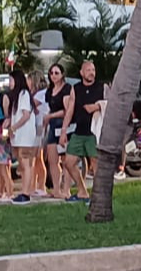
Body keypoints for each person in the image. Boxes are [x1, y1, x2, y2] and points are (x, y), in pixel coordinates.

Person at [61, 61, 104, 202]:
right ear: (81, 72)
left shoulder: (102, 87)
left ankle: (99, 196)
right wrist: (63, 130)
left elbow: (110, 104)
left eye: (93, 69)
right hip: (79, 131)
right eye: (88, 70)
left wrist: (97, 106)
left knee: (95, 163)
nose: (91, 72)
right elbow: (69, 111)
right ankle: (82, 191)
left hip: (94, 132)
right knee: (69, 161)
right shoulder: (76, 88)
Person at [8, 70, 40, 204]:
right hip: (19, 136)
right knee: (22, 163)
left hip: (25, 136)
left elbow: (26, 115)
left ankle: (26, 193)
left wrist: (14, 127)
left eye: (11, 80)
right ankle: (24, 191)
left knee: (26, 163)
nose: (9, 83)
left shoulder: (24, 94)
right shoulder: (18, 96)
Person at [42, 64, 72, 199]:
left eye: (56, 73)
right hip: (53, 125)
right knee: (52, 159)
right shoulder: (50, 91)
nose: (54, 75)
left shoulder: (66, 89)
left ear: (62, 74)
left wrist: (51, 116)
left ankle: (66, 189)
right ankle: (56, 189)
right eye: (51, 73)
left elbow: (67, 110)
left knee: (66, 159)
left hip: (63, 124)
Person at [0, 74, 15, 202]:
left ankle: (9, 190)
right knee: (1, 164)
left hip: (2, 130)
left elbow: (6, 119)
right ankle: (5, 189)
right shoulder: (1, 96)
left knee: (2, 164)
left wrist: (3, 135)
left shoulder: (3, 96)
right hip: (0, 130)